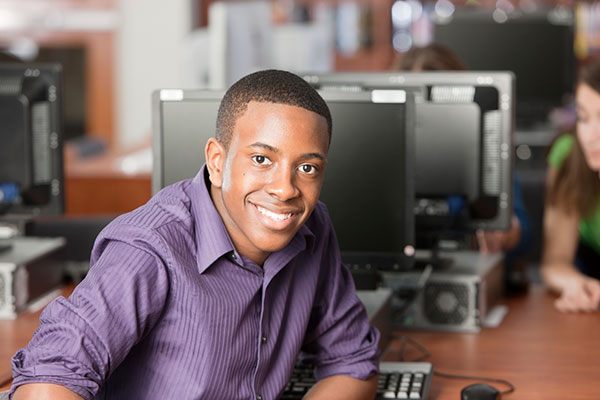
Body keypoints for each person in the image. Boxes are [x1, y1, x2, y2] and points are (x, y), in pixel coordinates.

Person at [10, 70, 380, 399]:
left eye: (307, 167)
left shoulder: (311, 226)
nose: (285, 189)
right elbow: (46, 382)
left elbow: (353, 363)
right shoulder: (149, 247)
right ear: (218, 162)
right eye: (261, 159)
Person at [394, 44, 532, 285]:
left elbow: (524, 236)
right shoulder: (389, 156)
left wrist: (506, 233)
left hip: (464, 278)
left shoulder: (488, 148)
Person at [542, 57, 600, 313]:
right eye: (583, 118)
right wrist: (575, 283)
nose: (591, 135)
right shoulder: (568, 155)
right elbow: (555, 261)